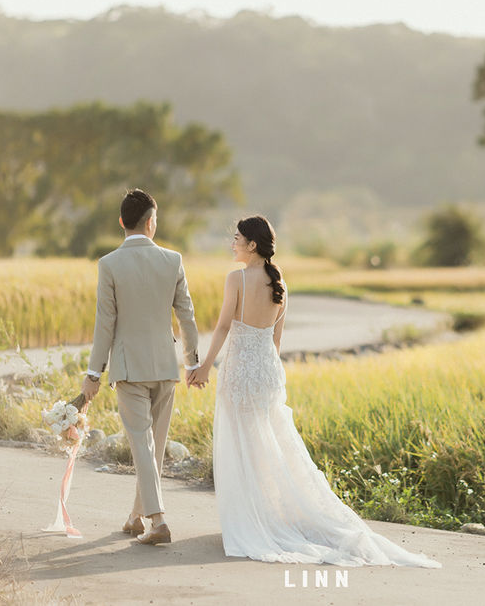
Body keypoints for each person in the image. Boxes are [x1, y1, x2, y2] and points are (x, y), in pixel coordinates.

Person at [187, 216, 441, 568]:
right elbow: (276, 343)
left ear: (253, 245)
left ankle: (255, 519)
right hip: (268, 372)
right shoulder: (280, 285)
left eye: (237, 238)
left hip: (241, 371)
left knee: (244, 444)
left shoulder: (237, 279)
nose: (232, 243)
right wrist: (269, 376)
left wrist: (204, 367)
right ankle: (273, 515)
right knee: (268, 444)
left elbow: (224, 327)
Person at [81, 188, 200, 546]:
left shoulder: (109, 264)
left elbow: (105, 323)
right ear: (150, 223)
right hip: (166, 366)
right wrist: (193, 361)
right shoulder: (173, 260)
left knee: (143, 447)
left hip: (129, 369)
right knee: (153, 448)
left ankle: (158, 519)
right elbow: (187, 317)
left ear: (122, 222)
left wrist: (93, 374)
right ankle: (135, 517)